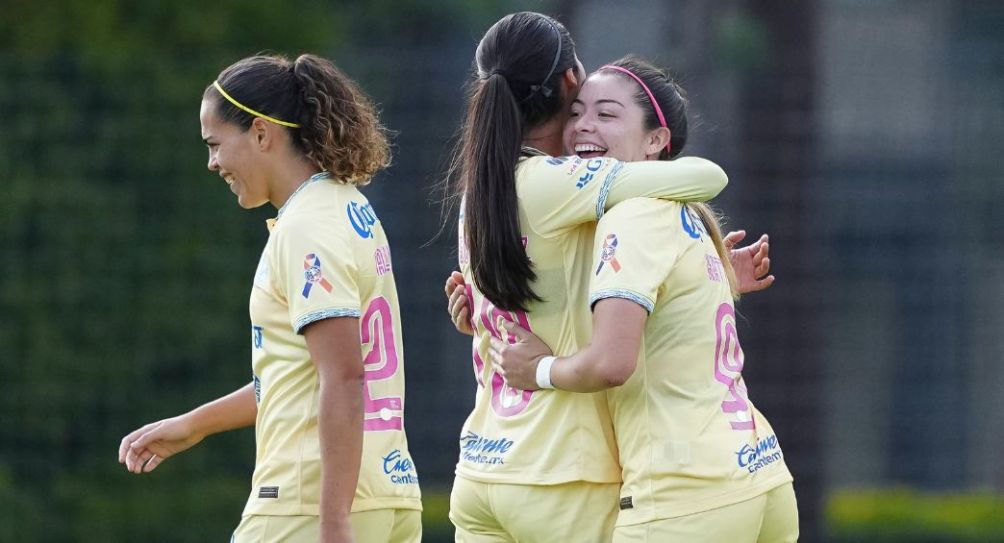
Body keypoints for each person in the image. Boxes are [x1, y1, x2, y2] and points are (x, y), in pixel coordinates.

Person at [444, 12, 731, 542]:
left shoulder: (481, 191)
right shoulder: (559, 183)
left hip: (484, 467)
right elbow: (708, 177)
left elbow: (548, 302)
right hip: (561, 470)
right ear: (570, 80)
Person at [488, 57, 798, 542]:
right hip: (760, 474)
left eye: (607, 114)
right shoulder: (684, 215)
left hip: (683, 495)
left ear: (657, 140)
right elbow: (668, 323)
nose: (584, 125)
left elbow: (612, 362)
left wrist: (538, 371)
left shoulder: (630, 217)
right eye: (576, 112)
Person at [118, 54, 421, 543]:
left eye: (215, 144)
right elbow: (297, 376)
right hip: (385, 495)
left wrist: (333, 521)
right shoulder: (348, 207)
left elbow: (343, 377)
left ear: (261, 134)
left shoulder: (306, 227)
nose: (212, 162)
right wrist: (193, 426)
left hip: (305, 502)